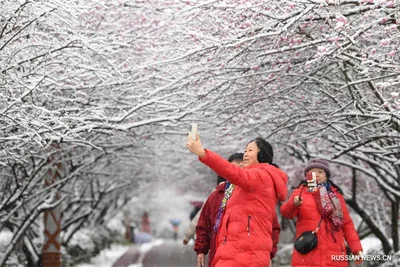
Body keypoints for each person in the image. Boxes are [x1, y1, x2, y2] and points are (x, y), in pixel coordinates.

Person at [186, 136, 288, 267]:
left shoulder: (261, 176)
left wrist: (203, 153)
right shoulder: (245, 183)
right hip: (236, 251)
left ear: (262, 154)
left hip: (245, 253)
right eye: (245, 150)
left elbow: (231, 171)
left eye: (250, 150)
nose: (246, 154)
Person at [280, 158, 363, 267]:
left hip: (334, 253)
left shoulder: (336, 196)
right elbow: (286, 213)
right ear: (307, 175)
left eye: (320, 172)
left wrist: (356, 249)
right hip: (308, 254)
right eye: (313, 171)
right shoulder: (300, 192)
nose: (317, 174)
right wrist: (294, 203)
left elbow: (347, 224)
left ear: (326, 175)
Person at [194, 153, 244, 267]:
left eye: (240, 167)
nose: (235, 171)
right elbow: (203, 223)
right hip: (218, 252)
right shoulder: (217, 194)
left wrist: (269, 254)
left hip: (243, 253)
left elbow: (268, 224)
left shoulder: (253, 193)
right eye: (232, 168)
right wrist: (201, 250)